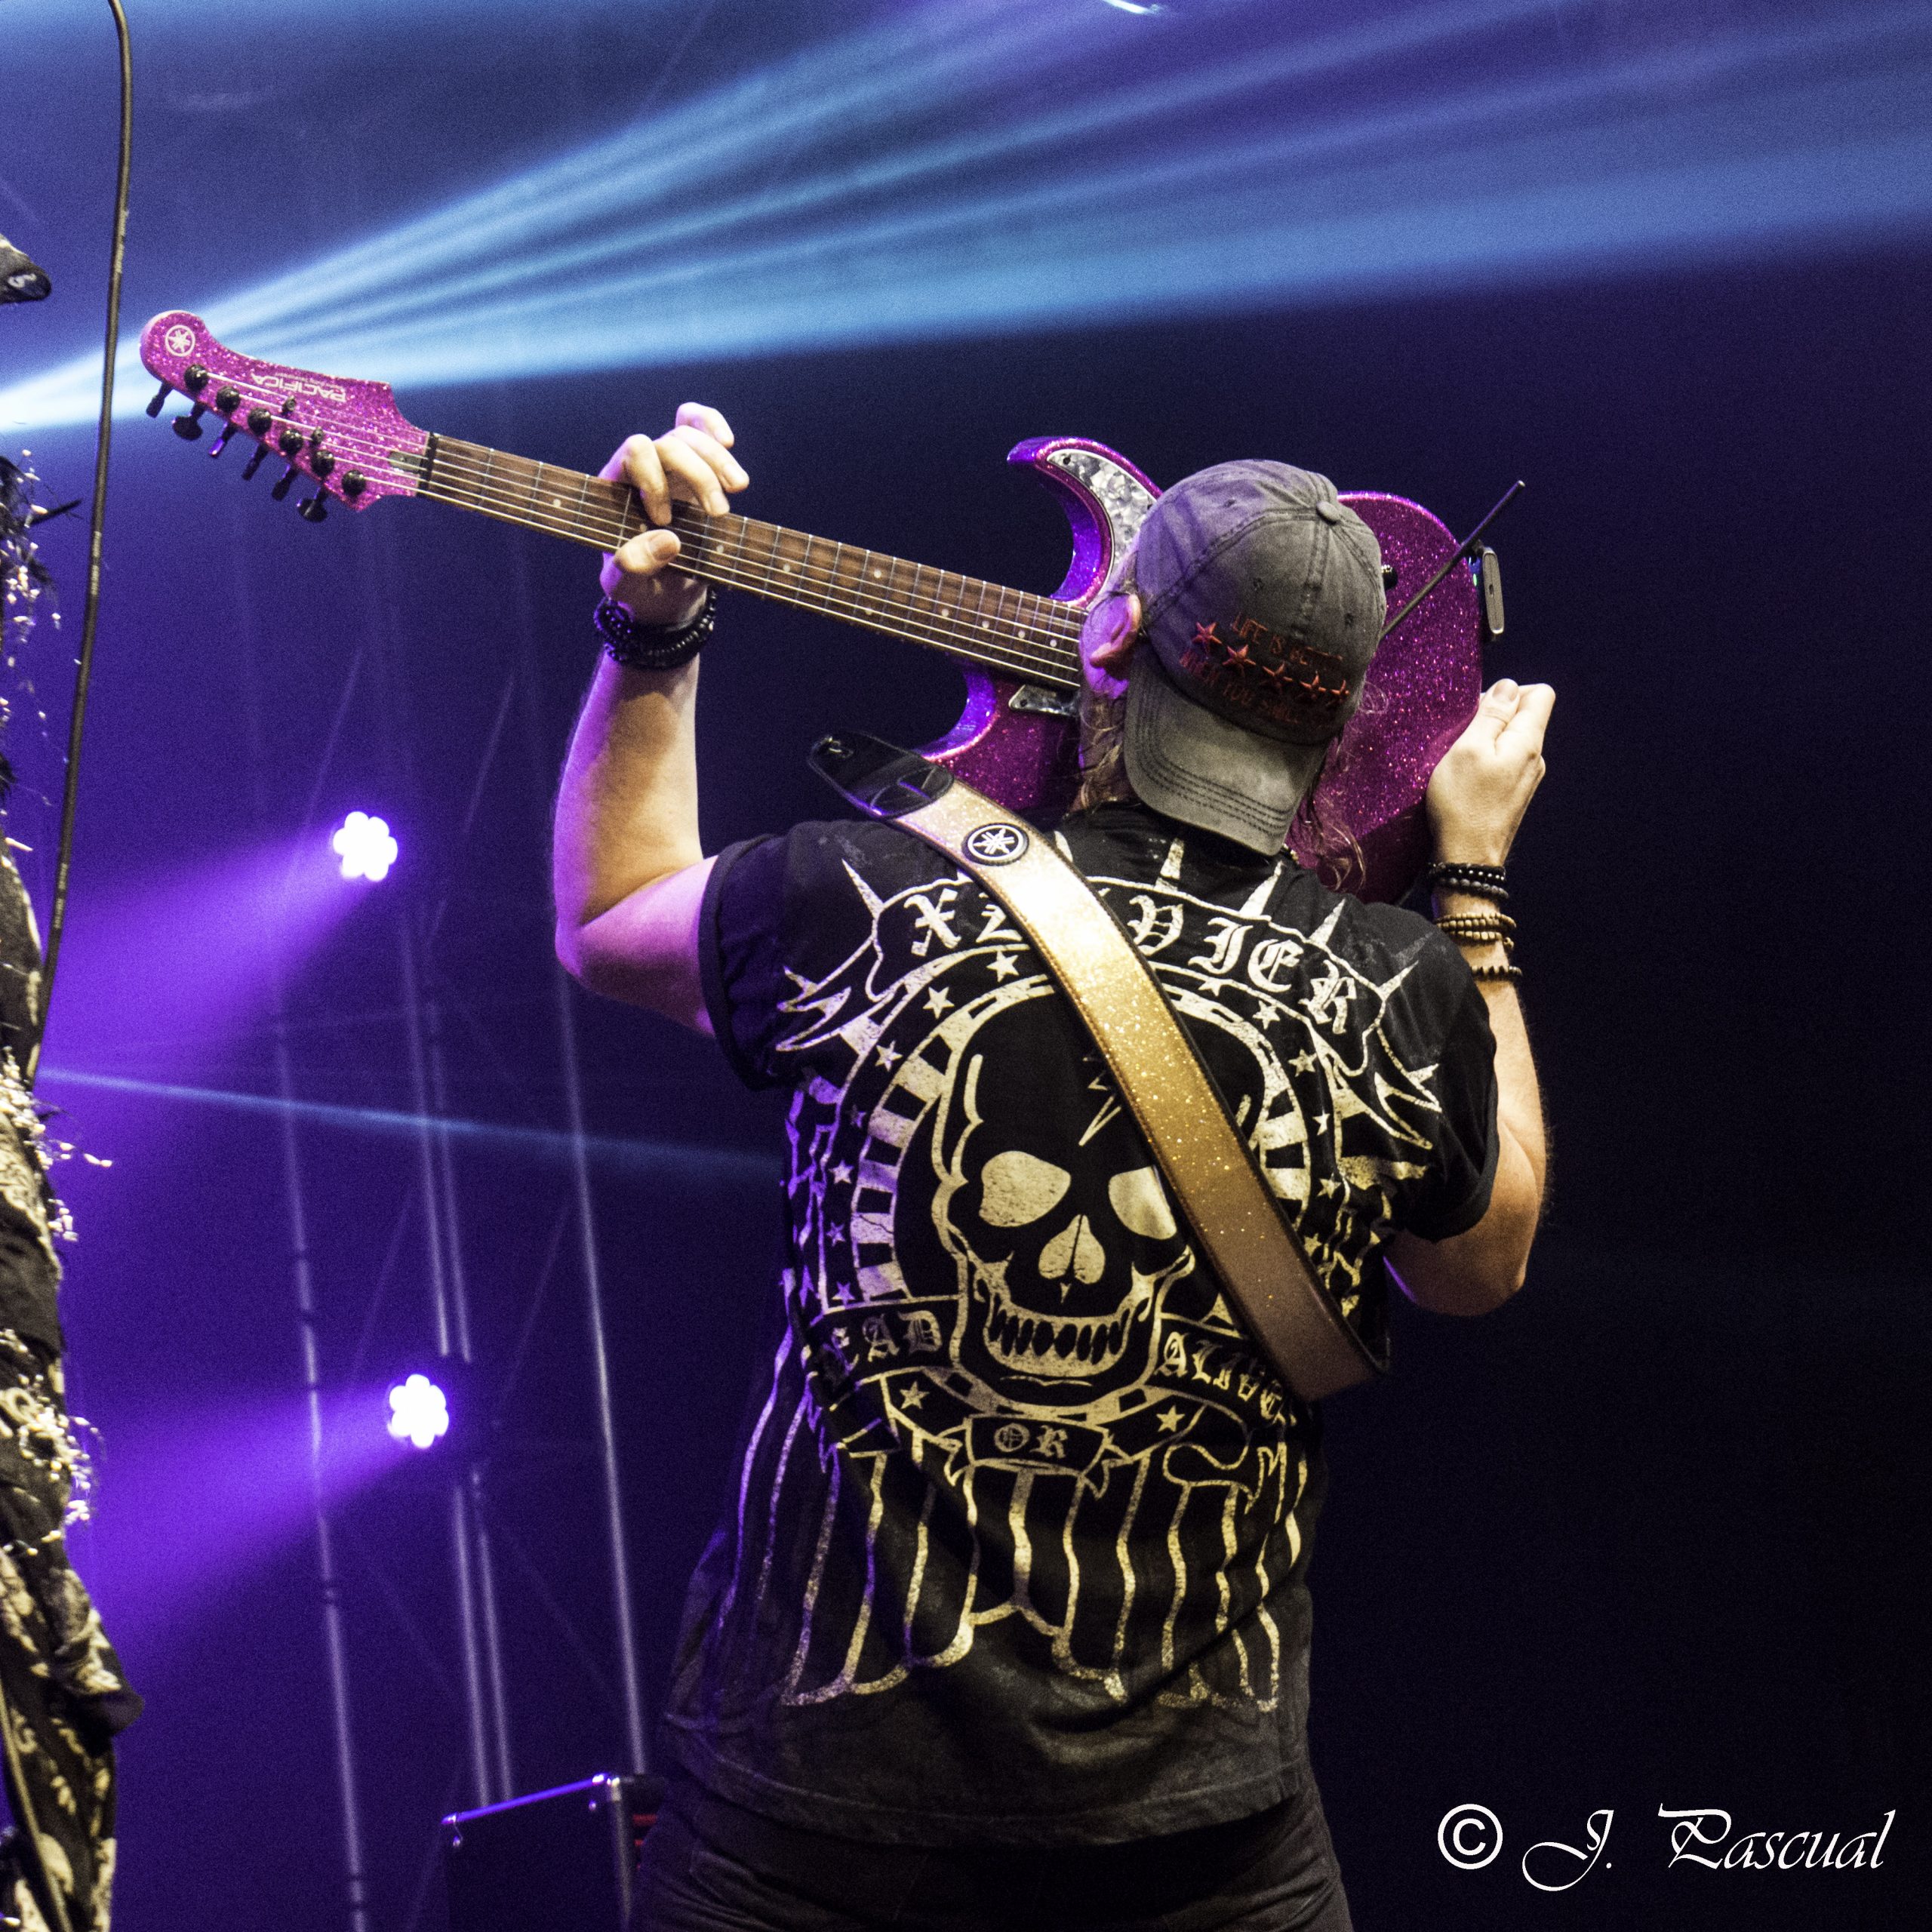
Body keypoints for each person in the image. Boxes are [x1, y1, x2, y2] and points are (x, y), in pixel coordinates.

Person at [553, 407, 1553, 1932]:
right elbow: (1480, 1264)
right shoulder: (1388, 984)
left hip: (802, 1831)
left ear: (1111, 637)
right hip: (1204, 1848)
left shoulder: (859, 893)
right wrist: (1470, 882)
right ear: (1355, 722)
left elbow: (607, 915)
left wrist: (655, 632)